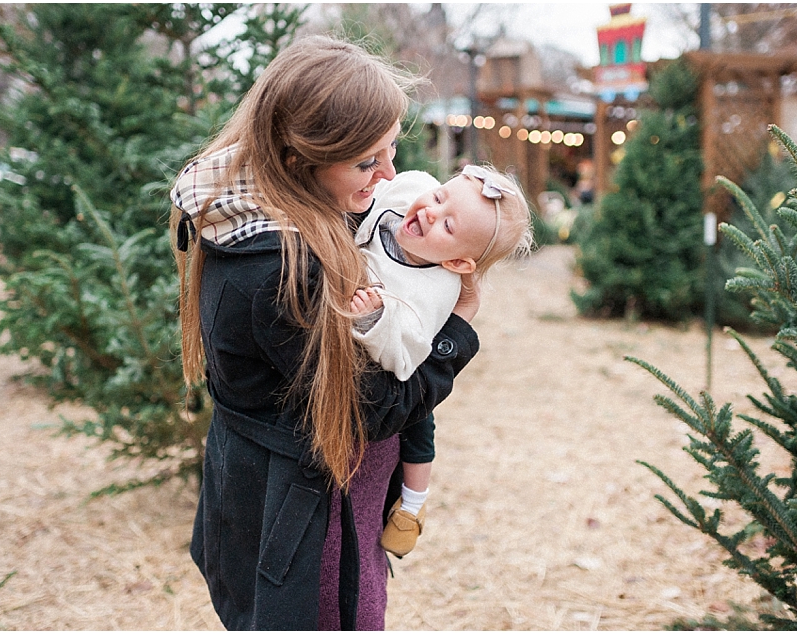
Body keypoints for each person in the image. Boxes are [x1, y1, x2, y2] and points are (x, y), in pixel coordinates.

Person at [169, 35, 482, 631]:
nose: (390, 174)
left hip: (309, 508)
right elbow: (375, 408)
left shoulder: (282, 207)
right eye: (368, 162)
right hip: (306, 529)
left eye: (391, 151)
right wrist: (456, 333)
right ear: (300, 160)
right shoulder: (279, 270)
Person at [347, 166, 532, 558]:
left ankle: (412, 504)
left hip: (381, 376)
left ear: (459, 264)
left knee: (419, 418)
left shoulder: (430, 295)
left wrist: (374, 320)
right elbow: (387, 182)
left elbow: (403, 360)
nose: (431, 211)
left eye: (448, 226)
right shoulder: (414, 190)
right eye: (439, 198)